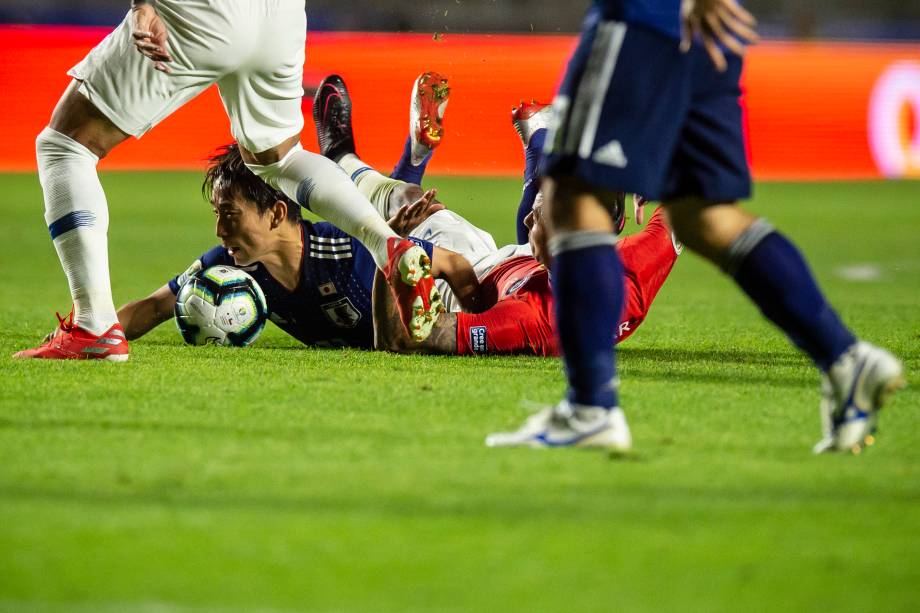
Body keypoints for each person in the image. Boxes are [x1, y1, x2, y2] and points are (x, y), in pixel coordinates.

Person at [486, 0, 904, 454]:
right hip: (709, 26)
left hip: (647, 15)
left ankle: (591, 408)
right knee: (701, 215)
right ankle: (845, 357)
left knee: (570, 191)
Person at [14, 0, 439, 362]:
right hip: (280, 13)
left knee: (65, 144)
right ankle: (387, 242)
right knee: (278, 157)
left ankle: (93, 326)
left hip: (204, 11)